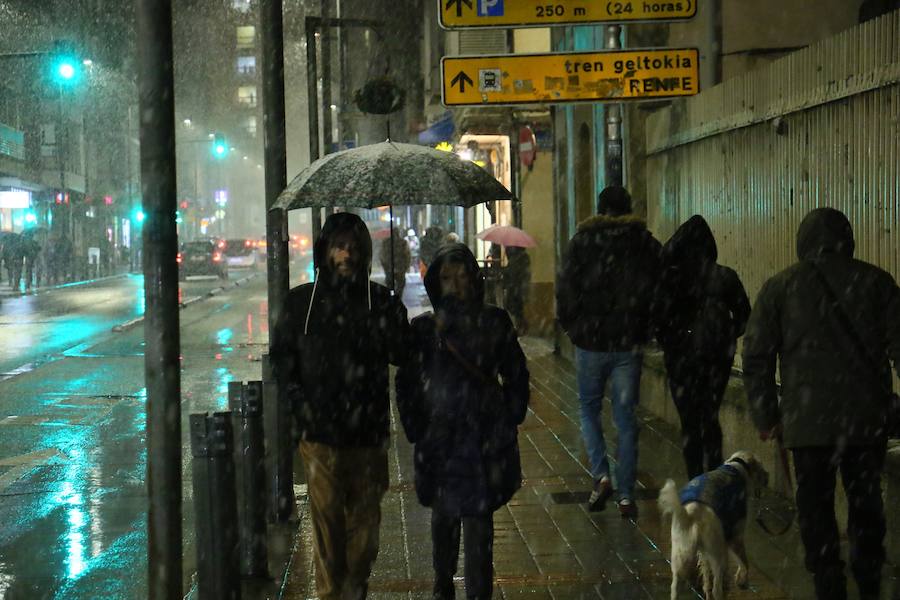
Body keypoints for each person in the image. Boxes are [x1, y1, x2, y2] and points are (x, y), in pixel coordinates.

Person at [743, 207, 900, 600]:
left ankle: (828, 582)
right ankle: (867, 579)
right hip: (865, 422)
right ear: (848, 239)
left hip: (807, 422)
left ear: (803, 243)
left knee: (815, 508)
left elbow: (756, 354)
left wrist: (766, 414)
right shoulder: (878, 283)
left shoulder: (780, 287)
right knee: (865, 506)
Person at [271, 212, 409, 600]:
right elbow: (282, 361)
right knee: (328, 528)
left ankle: (354, 586)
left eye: (352, 246)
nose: (345, 254)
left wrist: (393, 317)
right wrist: (299, 406)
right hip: (320, 436)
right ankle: (334, 594)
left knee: (365, 535)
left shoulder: (378, 300)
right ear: (325, 251)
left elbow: (402, 353)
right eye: (337, 246)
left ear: (363, 252)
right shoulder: (303, 303)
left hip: (368, 434)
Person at [396, 243, 529, 600]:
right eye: (447, 277)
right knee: (444, 519)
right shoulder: (424, 329)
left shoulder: (494, 321)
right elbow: (407, 381)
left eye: (463, 275)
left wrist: (512, 414)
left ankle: (478, 592)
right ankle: (443, 580)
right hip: (440, 440)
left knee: (479, 525)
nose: (456, 283)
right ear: (436, 284)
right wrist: (415, 424)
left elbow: (516, 373)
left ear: (475, 278)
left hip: (484, 439)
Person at [556, 186, 662, 518]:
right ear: (628, 208)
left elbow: (565, 287)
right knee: (626, 418)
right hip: (627, 344)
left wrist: (574, 327)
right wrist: (646, 328)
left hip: (590, 343)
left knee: (589, 410)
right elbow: (661, 284)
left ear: (600, 210)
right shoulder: (643, 243)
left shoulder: (582, 243)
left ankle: (602, 475)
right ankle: (627, 495)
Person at [655, 215, 751, 479]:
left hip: (681, 360)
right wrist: (726, 336)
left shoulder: (670, 279)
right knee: (710, 417)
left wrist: (674, 343)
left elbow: (658, 320)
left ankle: (695, 481)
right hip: (717, 358)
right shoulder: (725, 276)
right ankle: (715, 478)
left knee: (689, 423)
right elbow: (745, 316)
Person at [502, 246, 531, 334]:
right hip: (518, 287)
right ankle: (521, 326)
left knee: (515, 308)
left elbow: (512, 272)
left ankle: (521, 326)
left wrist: (506, 271)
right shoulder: (523, 257)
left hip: (515, 287)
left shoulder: (516, 259)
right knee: (517, 308)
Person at [378, 227, 412, 299]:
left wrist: (385, 267)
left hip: (389, 268)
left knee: (390, 286)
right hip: (400, 268)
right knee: (400, 285)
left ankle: (391, 299)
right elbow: (407, 256)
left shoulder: (386, 242)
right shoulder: (403, 243)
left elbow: (382, 255)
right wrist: (406, 267)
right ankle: (397, 298)